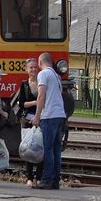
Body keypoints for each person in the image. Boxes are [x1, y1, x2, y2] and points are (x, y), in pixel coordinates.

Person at [32, 52, 65, 190]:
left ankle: (47, 180)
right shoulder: (56, 76)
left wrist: (37, 116)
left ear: (40, 62)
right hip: (60, 115)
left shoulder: (43, 74)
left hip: (49, 115)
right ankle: (56, 180)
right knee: (56, 149)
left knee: (48, 149)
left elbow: (41, 95)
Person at [11, 57, 42, 186]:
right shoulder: (24, 84)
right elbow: (22, 103)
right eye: (31, 67)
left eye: (35, 67)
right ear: (26, 69)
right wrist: (35, 102)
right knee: (27, 149)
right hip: (27, 119)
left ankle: (39, 178)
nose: (33, 69)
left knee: (40, 148)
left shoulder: (42, 82)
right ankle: (29, 177)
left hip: (40, 117)